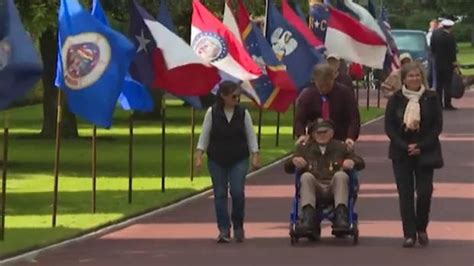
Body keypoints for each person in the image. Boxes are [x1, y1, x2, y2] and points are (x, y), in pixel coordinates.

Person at [384, 62, 444, 248]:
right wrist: (405, 146)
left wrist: (420, 146)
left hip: (426, 150)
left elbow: (437, 127)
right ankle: (409, 234)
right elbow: (390, 128)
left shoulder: (432, 98)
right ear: (404, 79)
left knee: (425, 192)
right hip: (401, 152)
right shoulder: (396, 99)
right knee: (406, 194)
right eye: (410, 76)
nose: (414, 79)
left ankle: (421, 227)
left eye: (417, 75)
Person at [195, 81, 261, 243]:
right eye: (233, 96)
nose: (237, 98)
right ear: (223, 96)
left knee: (237, 192)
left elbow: (251, 135)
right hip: (217, 158)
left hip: (238, 158)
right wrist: (199, 155)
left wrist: (255, 154)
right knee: (220, 194)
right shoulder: (212, 112)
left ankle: (238, 225)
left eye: (238, 95)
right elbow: (205, 135)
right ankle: (224, 229)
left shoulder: (243, 113)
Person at [284, 119, 365, 234]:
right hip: (314, 187)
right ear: (312, 134)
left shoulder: (341, 147)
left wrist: (352, 162)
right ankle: (308, 217)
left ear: (331, 133)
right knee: (306, 176)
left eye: (325, 132)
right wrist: (294, 161)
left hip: (334, 187)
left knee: (341, 175)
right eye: (318, 132)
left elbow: (360, 162)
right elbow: (287, 167)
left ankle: (341, 216)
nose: (322, 135)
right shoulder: (305, 148)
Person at [294, 64, 360, 149]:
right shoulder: (307, 96)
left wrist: (350, 137)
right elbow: (299, 119)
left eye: (327, 85)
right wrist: (301, 135)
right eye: (321, 86)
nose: (324, 89)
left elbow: (354, 118)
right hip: (315, 141)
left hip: (340, 140)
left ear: (333, 79)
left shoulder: (345, 93)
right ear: (315, 81)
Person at [430, 19, 458, 110]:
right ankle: (447, 104)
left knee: (439, 84)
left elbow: (432, 47)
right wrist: (454, 62)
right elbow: (453, 51)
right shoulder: (450, 37)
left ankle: (438, 104)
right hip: (448, 63)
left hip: (438, 62)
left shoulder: (435, 34)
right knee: (447, 84)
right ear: (451, 27)